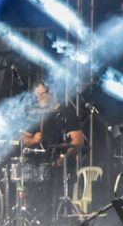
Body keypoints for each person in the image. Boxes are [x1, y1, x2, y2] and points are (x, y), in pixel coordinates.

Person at [21, 82, 84, 216]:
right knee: (32, 198)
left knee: (53, 201)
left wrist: (64, 157)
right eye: (37, 96)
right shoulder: (35, 114)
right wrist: (34, 140)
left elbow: (78, 140)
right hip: (36, 165)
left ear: (51, 93)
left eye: (42, 94)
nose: (39, 98)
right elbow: (24, 140)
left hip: (58, 165)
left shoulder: (66, 112)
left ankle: (57, 220)